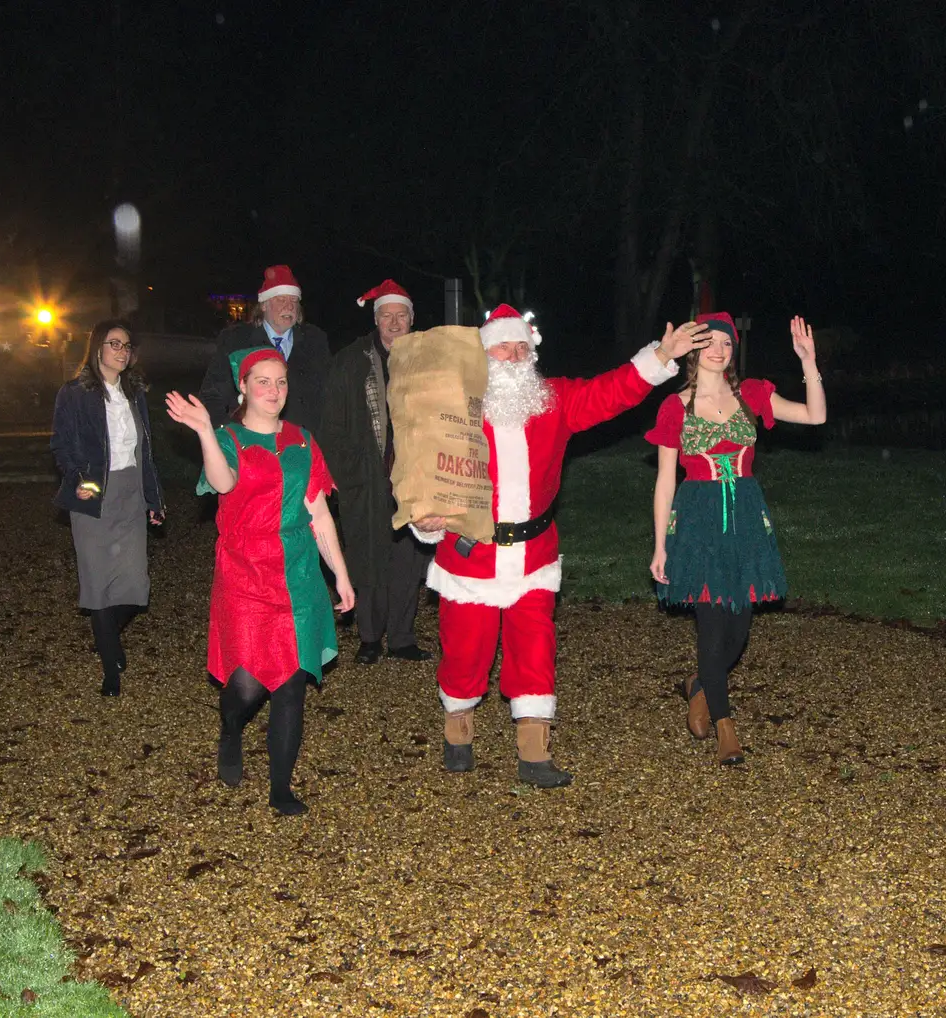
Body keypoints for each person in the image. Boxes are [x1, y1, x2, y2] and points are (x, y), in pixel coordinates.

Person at [411, 306, 710, 787]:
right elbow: (421, 469)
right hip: (472, 553)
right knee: (466, 649)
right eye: (503, 347)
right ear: (483, 354)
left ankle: (534, 751)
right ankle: (458, 727)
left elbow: (612, 392)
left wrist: (662, 355)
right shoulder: (454, 408)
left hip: (534, 554)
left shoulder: (555, 400)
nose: (515, 355)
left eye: (522, 347)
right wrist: (425, 519)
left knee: (535, 648)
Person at [165, 346, 356, 817]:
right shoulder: (229, 436)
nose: (274, 390)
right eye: (264, 381)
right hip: (245, 571)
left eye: (281, 382)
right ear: (244, 388)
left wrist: (342, 577)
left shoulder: (303, 440)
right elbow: (223, 482)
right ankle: (230, 729)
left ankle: (280, 787)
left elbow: (318, 513)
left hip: (298, 575)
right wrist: (207, 432)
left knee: (291, 685)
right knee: (247, 687)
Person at [647, 313, 827, 765]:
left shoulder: (751, 395)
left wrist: (808, 363)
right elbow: (665, 482)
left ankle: (700, 685)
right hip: (698, 520)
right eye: (709, 341)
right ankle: (727, 728)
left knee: (738, 631)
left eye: (726, 342)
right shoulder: (676, 407)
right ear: (693, 349)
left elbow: (815, 415)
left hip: (746, 517)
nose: (719, 349)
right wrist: (660, 545)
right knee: (711, 628)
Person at [319, 280, 434, 664]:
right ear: (377, 319)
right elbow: (332, 425)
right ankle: (369, 636)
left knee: (408, 560)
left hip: (414, 480)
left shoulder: (427, 360)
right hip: (366, 478)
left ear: (412, 319)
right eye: (387, 315)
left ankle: (401, 636)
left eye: (402, 315)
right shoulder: (351, 361)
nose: (395, 322)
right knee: (366, 557)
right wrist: (349, 472)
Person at [49, 319, 165, 697]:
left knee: (134, 585)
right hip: (95, 494)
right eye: (114, 344)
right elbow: (62, 446)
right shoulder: (74, 393)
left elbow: (144, 453)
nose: (122, 351)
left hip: (130, 491)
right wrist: (82, 479)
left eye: (127, 345)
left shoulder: (135, 394)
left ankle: (107, 639)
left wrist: (153, 500)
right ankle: (110, 669)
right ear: (97, 347)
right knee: (98, 582)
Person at [198, 264, 331, 432]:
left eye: (294, 301)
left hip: (302, 446)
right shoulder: (236, 340)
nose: (289, 307)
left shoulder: (315, 340)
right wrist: (229, 437)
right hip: (251, 445)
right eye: (281, 300)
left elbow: (329, 398)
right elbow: (212, 396)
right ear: (263, 305)